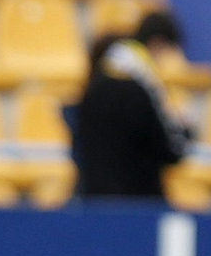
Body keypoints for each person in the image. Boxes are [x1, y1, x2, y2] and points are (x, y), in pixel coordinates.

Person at [71, 11, 194, 201]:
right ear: (157, 44)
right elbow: (169, 149)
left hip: (93, 202)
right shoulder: (142, 86)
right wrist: (186, 131)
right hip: (136, 205)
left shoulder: (96, 81)